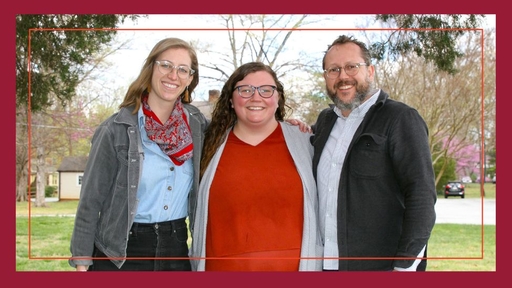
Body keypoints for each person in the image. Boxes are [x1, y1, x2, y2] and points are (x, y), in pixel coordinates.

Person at [68, 37, 208, 271]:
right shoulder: (115, 128)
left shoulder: (198, 126)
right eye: (165, 65)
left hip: (176, 249)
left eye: (183, 69)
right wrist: (82, 262)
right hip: (121, 253)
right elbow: (90, 200)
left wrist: (286, 126)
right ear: (151, 68)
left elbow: (240, 129)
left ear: (190, 79)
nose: (173, 75)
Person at [311, 35, 437, 271]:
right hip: (325, 266)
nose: (343, 76)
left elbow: (421, 196)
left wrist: (405, 266)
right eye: (334, 70)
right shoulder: (325, 122)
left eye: (351, 67)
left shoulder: (400, 118)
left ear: (370, 71)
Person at [190, 61, 323, 271]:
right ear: (231, 100)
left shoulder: (307, 144)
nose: (256, 97)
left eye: (266, 90)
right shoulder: (207, 146)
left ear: (278, 98)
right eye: (245, 90)